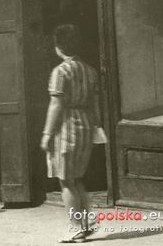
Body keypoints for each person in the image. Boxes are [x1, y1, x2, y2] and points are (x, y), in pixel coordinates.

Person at [42, 24, 101, 244]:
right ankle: (87, 223)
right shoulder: (90, 71)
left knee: (66, 181)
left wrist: (47, 133)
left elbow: (55, 105)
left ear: (58, 47)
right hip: (86, 125)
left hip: (66, 126)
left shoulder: (60, 72)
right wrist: (95, 125)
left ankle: (75, 228)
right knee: (78, 178)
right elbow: (96, 105)